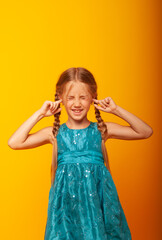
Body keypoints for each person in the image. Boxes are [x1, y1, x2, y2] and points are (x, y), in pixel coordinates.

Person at [8, 67, 153, 240]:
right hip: (65, 210)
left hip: (97, 207)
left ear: (93, 98)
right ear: (60, 98)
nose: (77, 104)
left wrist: (116, 110)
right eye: (70, 98)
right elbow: (14, 142)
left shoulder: (101, 131)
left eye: (83, 97)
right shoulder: (55, 133)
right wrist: (40, 114)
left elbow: (145, 131)